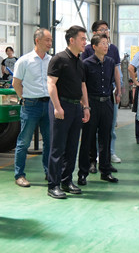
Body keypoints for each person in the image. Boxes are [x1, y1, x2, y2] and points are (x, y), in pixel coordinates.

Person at [46, 25, 91, 199]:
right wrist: (57, 107)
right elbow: (51, 84)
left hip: (76, 107)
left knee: (72, 147)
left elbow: (82, 86)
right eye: (82, 39)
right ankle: (53, 184)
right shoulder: (59, 59)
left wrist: (85, 107)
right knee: (58, 147)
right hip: (62, 106)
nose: (85, 42)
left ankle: (66, 180)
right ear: (71, 40)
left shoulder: (80, 62)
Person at [12, 29, 52, 188]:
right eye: (47, 40)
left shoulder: (51, 61)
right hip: (30, 105)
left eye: (51, 40)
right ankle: (19, 175)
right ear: (37, 40)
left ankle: (49, 172)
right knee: (24, 141)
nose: (50, 43)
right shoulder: (24, 61)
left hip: (48, 104)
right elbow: (16, 83)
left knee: (49, 141)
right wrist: (24, 98)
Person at [78, 34, 120, 185]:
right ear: (94, 47)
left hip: (107, 102)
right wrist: (85, 105)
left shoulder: (110, 62)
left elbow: (111, 82)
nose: (106, 46)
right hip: (91, 103)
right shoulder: (86, 64)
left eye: (107, 43)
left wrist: (117, 93)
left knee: (106, 137)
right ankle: (83, 173)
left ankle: (105, 171)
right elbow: (82, 86)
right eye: (102, 43)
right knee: (87, 138)